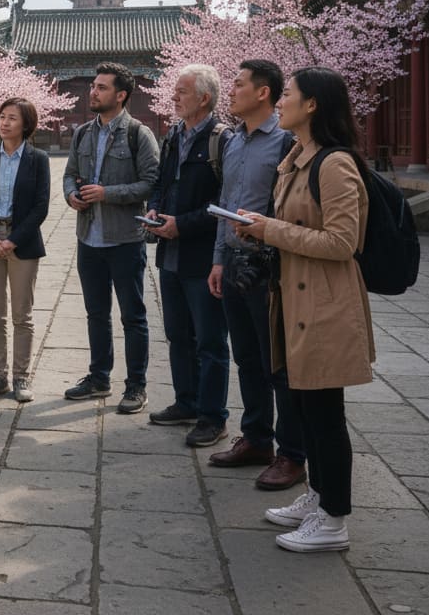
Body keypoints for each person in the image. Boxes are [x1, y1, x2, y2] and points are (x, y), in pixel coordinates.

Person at [234, 66, 373, 553]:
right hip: (295, 299)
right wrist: (257, 224)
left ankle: (334, 520)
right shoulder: (298, 157)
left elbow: (342, 242)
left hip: (326, 303)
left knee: (325, 413)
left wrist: (268, 230)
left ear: (312, 104)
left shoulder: (333, 164)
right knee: (305, 408)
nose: (282, 101)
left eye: (288, 95)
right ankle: (318, 496)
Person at [207, 60, 306, 490]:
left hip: (270, 268)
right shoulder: (232, 142)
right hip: (233, 262)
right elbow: (225, 199)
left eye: (239, 83)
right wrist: (218, 259)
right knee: (245, 356)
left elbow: (292, 208)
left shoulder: (286, 143)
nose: (232, 90)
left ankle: (292, 453)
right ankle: (257, 438)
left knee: (277, 363)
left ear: (263, 92)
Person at [62, 62, 160, 414]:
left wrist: (108, 193)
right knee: (95, 313)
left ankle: (136, 386)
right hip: (89, 237)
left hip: (124, 240)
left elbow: (150, 182)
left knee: (133, 316)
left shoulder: (139, 134)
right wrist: (71, 194)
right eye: (93, 86)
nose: (93, 92)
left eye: (102, 88)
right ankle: (99, 378)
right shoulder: (83, 133)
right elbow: (70, 174)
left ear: (121, 95)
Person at [146, 65, 231, 447]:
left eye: (182, 91)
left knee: (210, 342)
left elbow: (223, 203)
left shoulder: (221, 140)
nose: (174, 96)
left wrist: (183, 223)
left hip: (202, 254)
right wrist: (154, 209)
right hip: (170, 254)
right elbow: (162, 184)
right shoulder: (173, 136)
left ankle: (213, 417)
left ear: (204, 98)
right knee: (177, 334)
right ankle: (186, 401)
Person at [0, 98, 50, 404]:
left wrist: (13, 239)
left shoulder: (37, 159)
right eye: (2, 117)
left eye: (12, 118)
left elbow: (41, 206)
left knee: (22, 314)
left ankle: (20, 376)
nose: (4, 123)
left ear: (26, 124)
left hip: (22, 242)